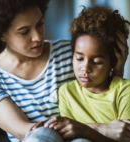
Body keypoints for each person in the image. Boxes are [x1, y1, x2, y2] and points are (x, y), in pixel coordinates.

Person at [0, 0, 129, 142]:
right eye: (24, 31)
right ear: (0, 34)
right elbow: (27, 132)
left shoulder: (70, 53)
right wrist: (99, 128)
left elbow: (102, 98)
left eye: (40, 24)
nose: (37, 36)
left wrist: (116, 70)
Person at [44, 6, 130, 142]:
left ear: (113, 62)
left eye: (96, 62)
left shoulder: (125, 91)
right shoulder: (66, 92)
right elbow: (69, 136)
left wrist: (84, 130)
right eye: (79, 59)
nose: (85, 68)